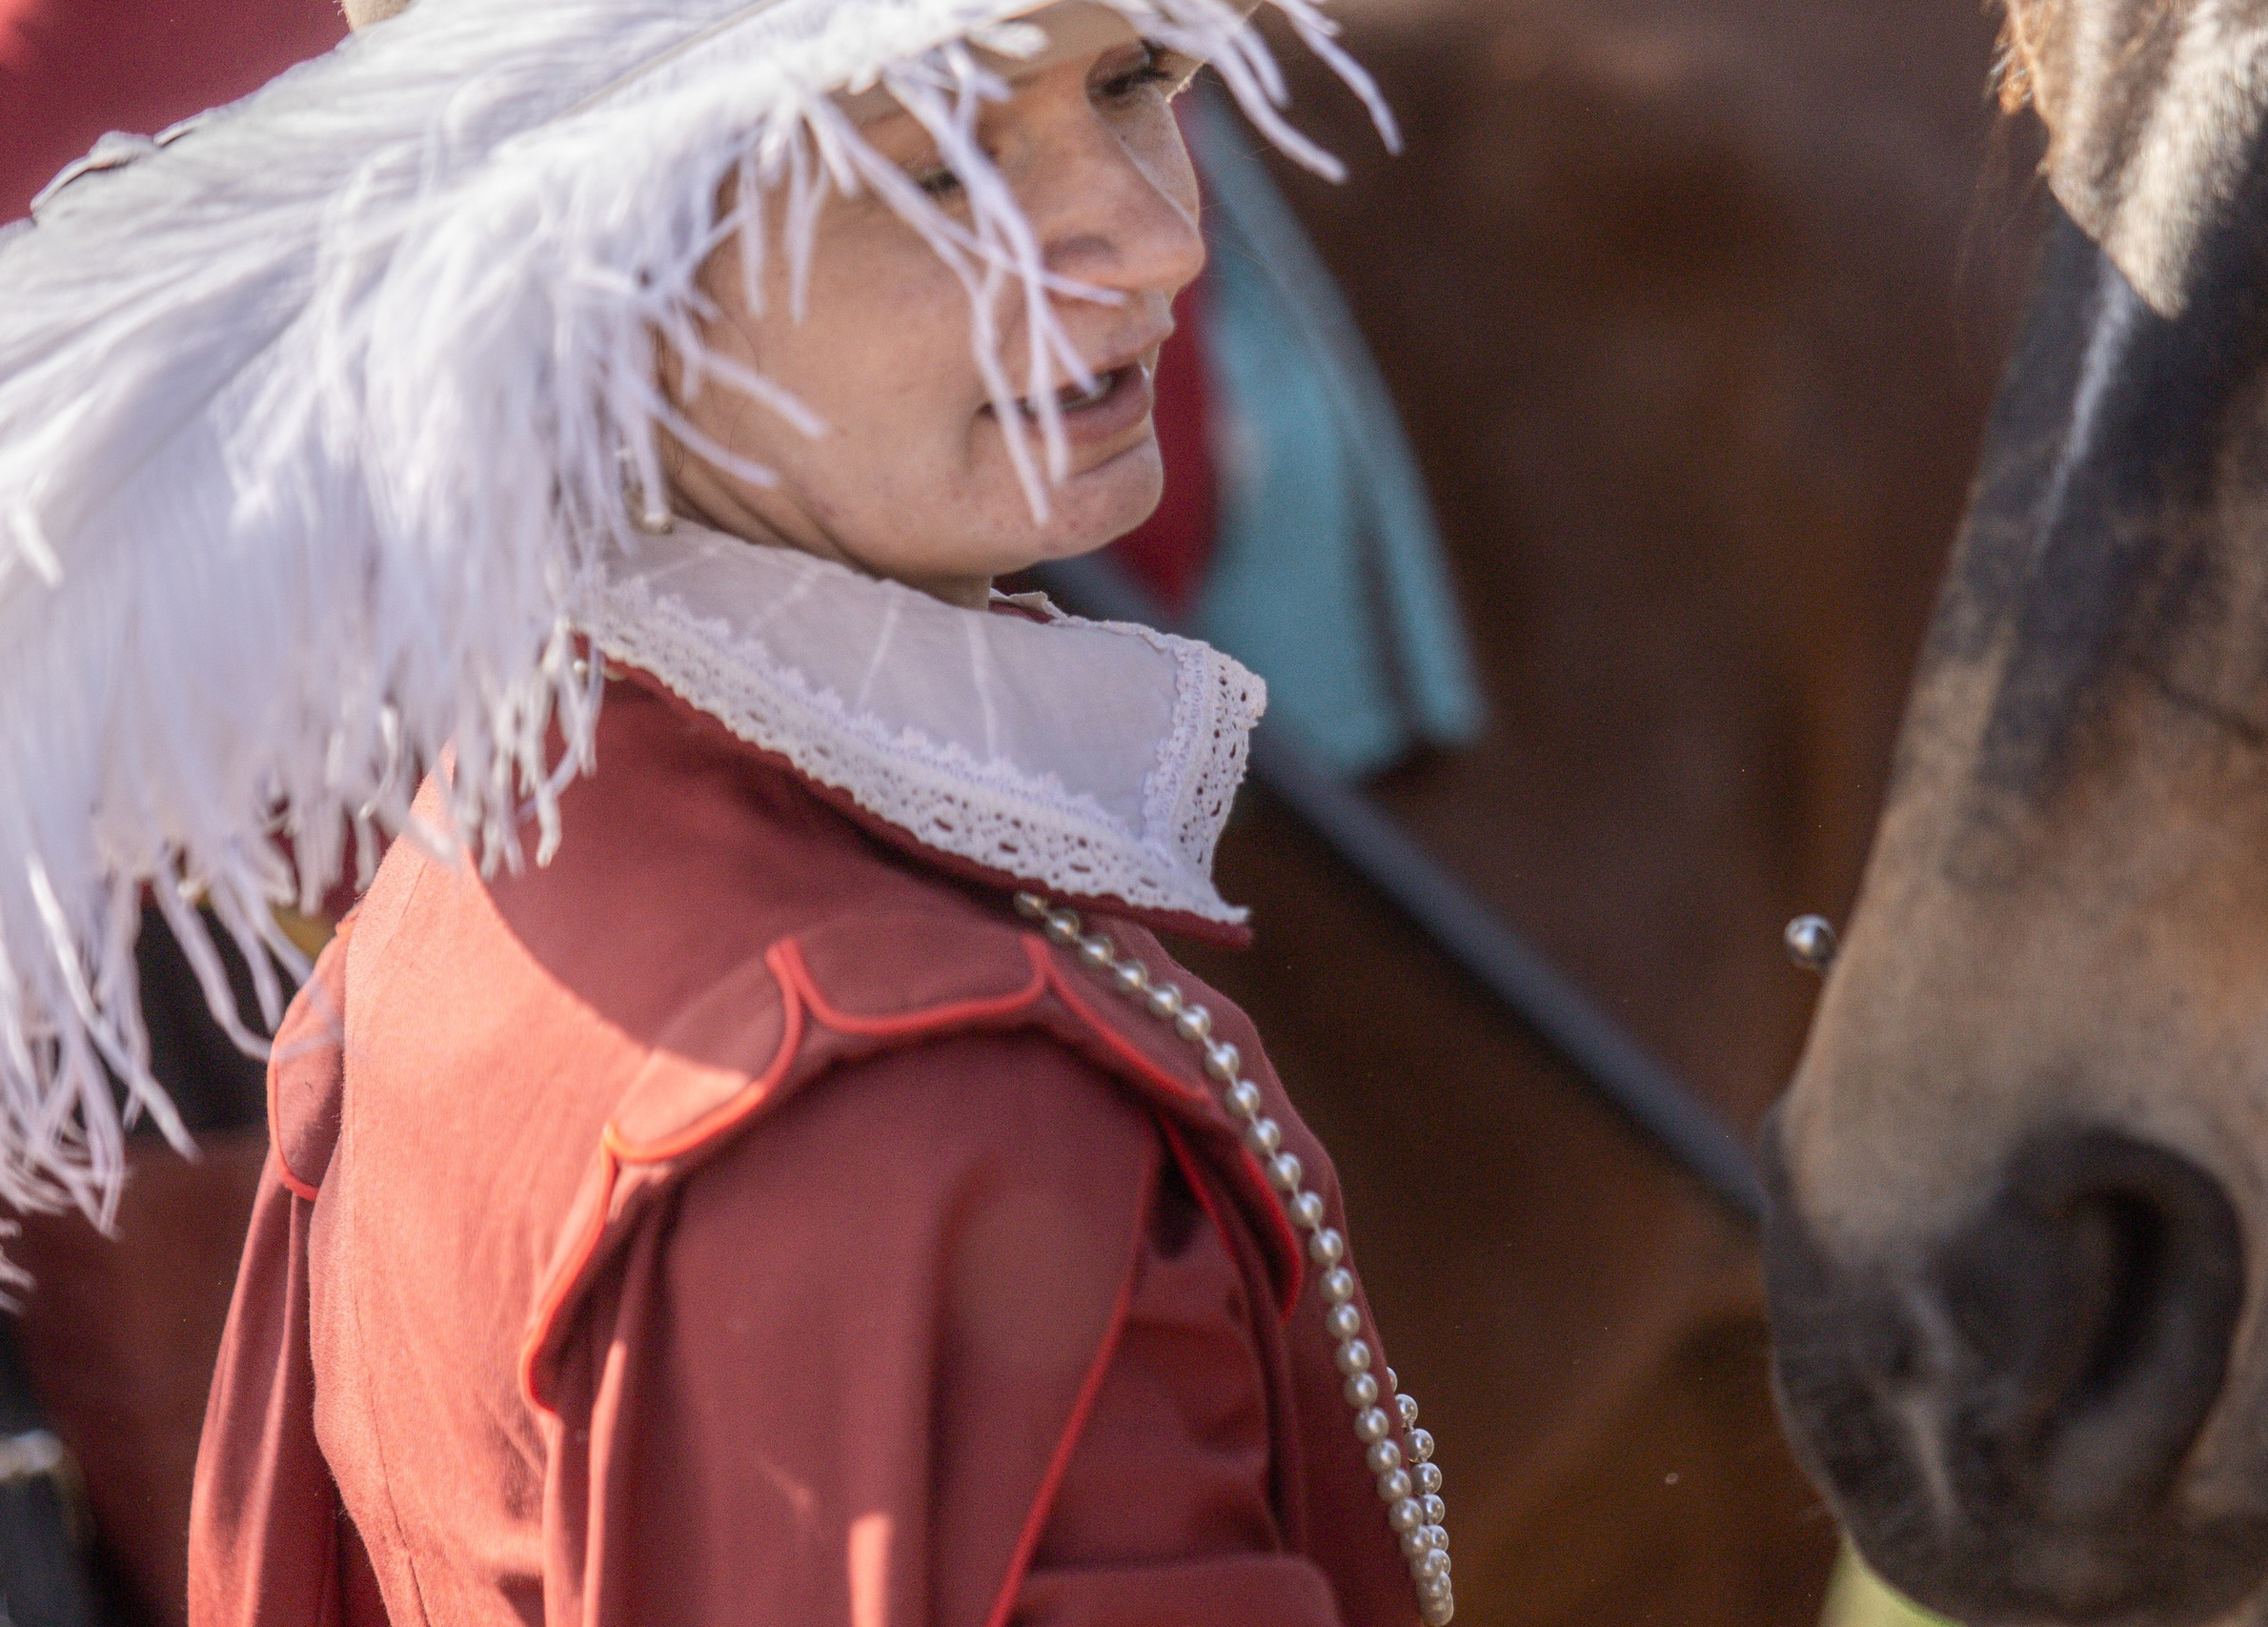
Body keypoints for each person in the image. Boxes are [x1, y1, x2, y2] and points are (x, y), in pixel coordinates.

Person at [0, 0, 1453, 1622]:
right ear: (595, 267)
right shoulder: (925, 1109)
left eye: (1133, 80)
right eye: (937, 170)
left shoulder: (481, 864)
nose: (1157, 238)